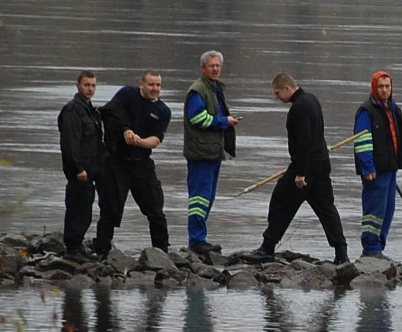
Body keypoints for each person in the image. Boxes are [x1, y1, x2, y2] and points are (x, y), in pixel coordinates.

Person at [242, 73, 348, 265]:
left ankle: (267, 248)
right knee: (326, 209)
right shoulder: (312, 100)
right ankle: (342, 253)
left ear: (287, 88)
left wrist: (300, 173)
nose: (276, 97)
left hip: (306, 167)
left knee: (281, 201)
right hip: (322, 164)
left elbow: (305, 141)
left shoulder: (299, 108)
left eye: (277, 92)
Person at [92, 70, 171, 255]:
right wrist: (125, 129)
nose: (155, 89)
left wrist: (139, 141)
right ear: (141, 84)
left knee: (156, 210)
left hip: (141, 162)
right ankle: (101, 250)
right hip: (116, 161)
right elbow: (109, 112)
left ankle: (162, 252)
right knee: (110, 209)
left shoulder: (163, 111)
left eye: (158, 85)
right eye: (151, 84)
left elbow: (156, 140)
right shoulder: (128, 94)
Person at [183, 51, 240, 256]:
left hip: (212, 153)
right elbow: (198, 118)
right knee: (199, 198)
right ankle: (197, 240)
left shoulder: (214, 89)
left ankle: (200, 239)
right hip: (200, 154)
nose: (215, 69)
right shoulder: (198, 90)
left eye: (218, 66)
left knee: (207, 198)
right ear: (203, 68)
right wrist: (224, 121)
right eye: (211, 66)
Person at [353, 70, 402, 258]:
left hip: (390, 168)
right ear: (374, 88)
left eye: (387, 86)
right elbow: (362, 140)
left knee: (388, 210)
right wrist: (368, 167)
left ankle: (379, 248)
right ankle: (370, 249)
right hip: (375, 171)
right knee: (373, 211)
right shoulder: (367, 110)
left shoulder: (394, 109)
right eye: (380, 87)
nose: (384, 90)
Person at [57, 70, 104, 262]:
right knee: (76, 208)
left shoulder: (90, 109)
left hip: (91, 169)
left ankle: (78, 246)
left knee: (85, 209)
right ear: (78, 85)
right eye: (87, 85)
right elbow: (70, 143)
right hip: (79, 171)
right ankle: (72, 249)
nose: (90, 89)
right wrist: (78, 168)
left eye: (93, 85)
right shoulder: (72, 110)